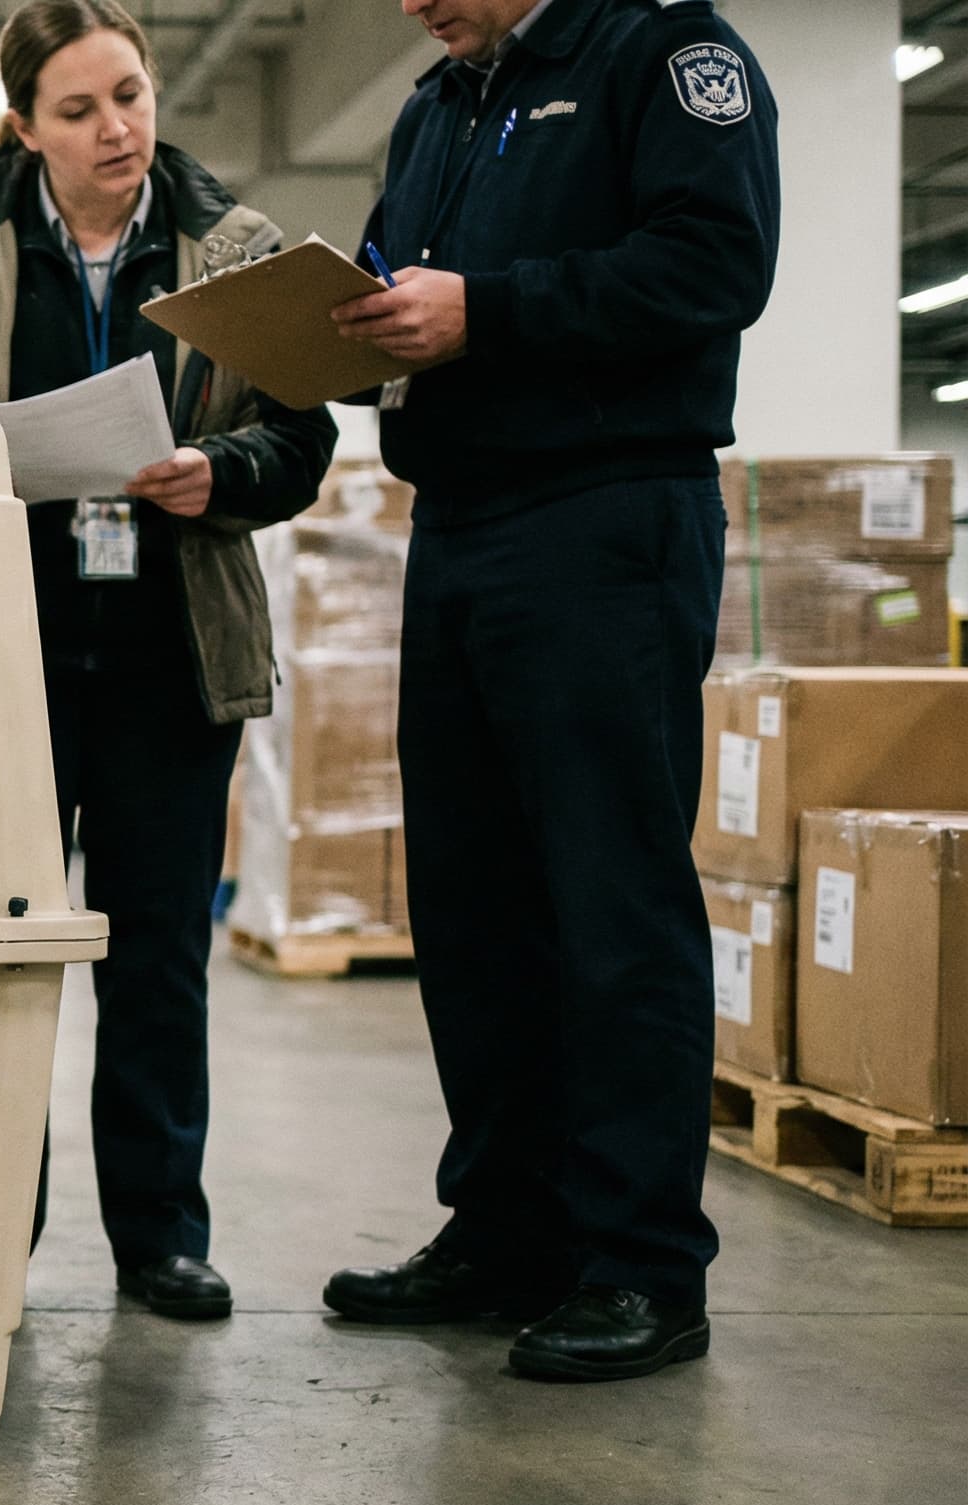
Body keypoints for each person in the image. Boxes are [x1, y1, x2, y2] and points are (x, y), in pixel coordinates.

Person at [0, 0, 335, 1322]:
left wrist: (217, 471)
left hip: (172, 655)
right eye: (79, 110)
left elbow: (302, 441)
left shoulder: (236, 251)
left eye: (131, 93)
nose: (118, 128)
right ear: (24, 128)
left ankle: (161, 1238)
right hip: (3, 662)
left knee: (159, 956)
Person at [321, 0, 779, 1381]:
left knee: (608, 897)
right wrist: (343, 322)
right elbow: (408, 282)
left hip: (605, 518)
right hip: (459, 525)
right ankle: (507, 1231)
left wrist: (490, 311)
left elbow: (715, 264)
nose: (411, 3)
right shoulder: (438, 103)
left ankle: (643, 1265)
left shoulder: (662, 57)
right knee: (475, 906)